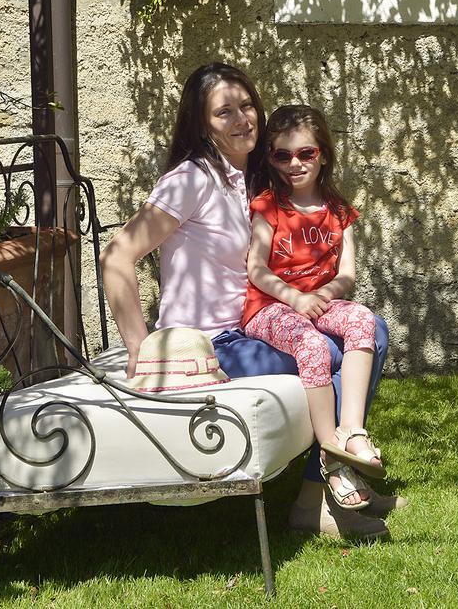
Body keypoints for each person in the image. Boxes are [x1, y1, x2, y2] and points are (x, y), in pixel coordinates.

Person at [101, 62, 401, 540]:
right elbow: (117, 255)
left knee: (371, 331)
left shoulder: (258, 174)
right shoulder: (191, 179)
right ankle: (329, 484)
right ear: (202, 125)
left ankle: (319, 493)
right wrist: (141, 351)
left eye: (247, 106)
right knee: (330, 352)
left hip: (258, 322)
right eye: (225, 113)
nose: (243, 119)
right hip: (213, 342)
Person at [242, 104, 388, 511]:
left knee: (362, 319)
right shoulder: (269, 206)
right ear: (270, 158)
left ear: (323, 153)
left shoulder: (338, 210)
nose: (295, 164)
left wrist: (325, 294)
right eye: (282, 155)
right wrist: (294, 297)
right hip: (270, 308)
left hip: (317, 301)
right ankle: (329, 451)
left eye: (306, 153)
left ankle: (351, 431)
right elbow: (255, 268)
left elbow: (347, 273)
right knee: (312, 346)